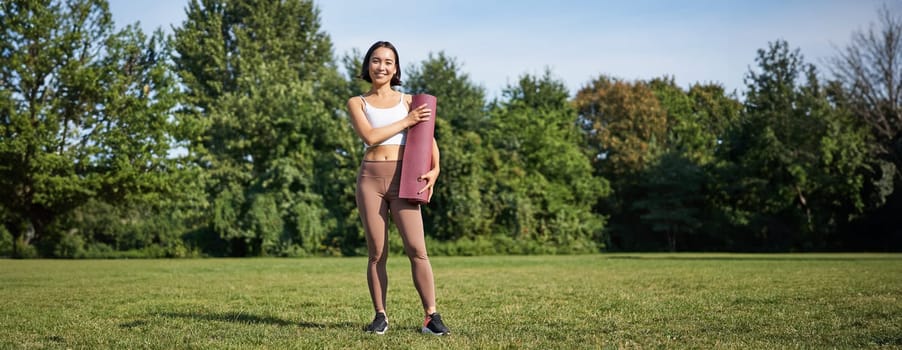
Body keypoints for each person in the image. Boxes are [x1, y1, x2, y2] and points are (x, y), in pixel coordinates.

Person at [346, 41, 450, 336]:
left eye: (388, 62)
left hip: (405, 178)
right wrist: (406, 121)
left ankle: (431, 316)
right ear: (368, 65)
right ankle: (380, 316)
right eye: (376, 61)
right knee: (377, 252)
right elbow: (370, 136)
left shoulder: (409, 101)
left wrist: (436, 168)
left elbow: (428, 140)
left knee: (418, 249)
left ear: (396, 69)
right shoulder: (358, 102)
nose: (382, 67)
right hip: (371, 180)